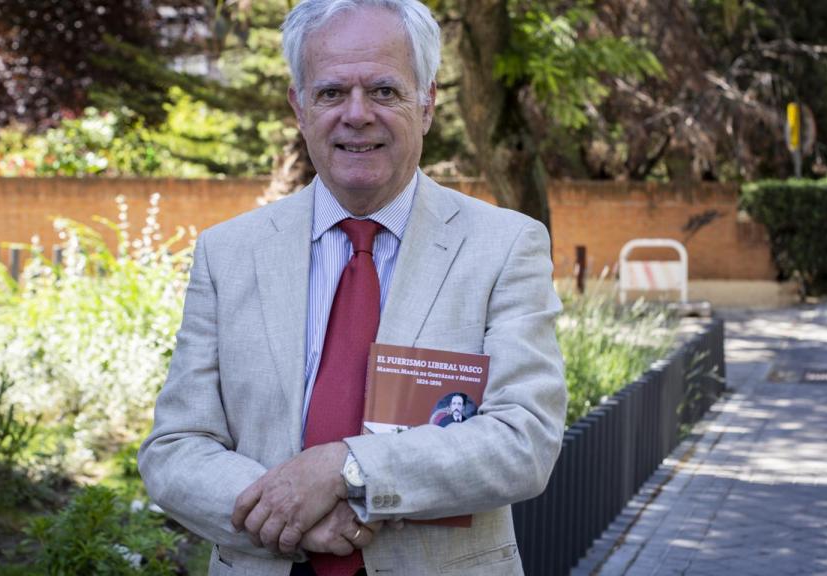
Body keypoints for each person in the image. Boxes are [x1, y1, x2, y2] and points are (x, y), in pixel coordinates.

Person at [138, 1, 567, 575]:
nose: (357, 114)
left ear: (428, 101)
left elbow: (523, 442)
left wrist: (344, 469)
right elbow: (176, 449)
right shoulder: (229, 253)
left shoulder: (503, 247)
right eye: (332, 92)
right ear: (299, 106)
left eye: (385, 91)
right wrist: (296, 514)